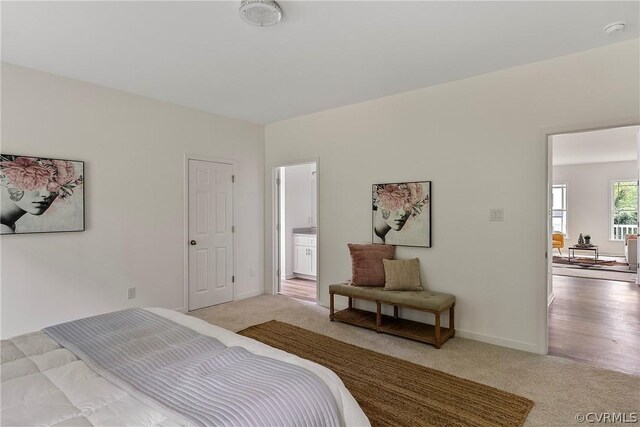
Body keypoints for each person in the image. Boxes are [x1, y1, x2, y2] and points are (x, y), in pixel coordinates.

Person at [0, 156, 82, 234]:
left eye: (56, 184)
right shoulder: (3, 229)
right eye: (36, 181)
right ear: (3, 177)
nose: (47, 194)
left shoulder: (7, 225)